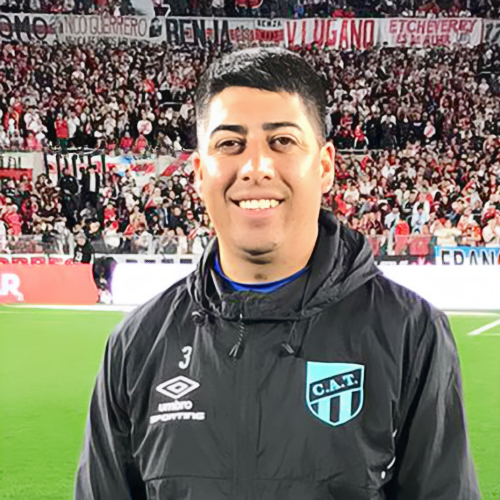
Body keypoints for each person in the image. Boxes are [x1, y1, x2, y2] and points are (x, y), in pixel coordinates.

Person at [75, 47, 480, 500]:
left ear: (324, 166)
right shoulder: (137, 344)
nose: (256, 168)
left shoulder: (410, 332)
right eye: (230, 144)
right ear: (199, 173)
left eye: (282, 141)